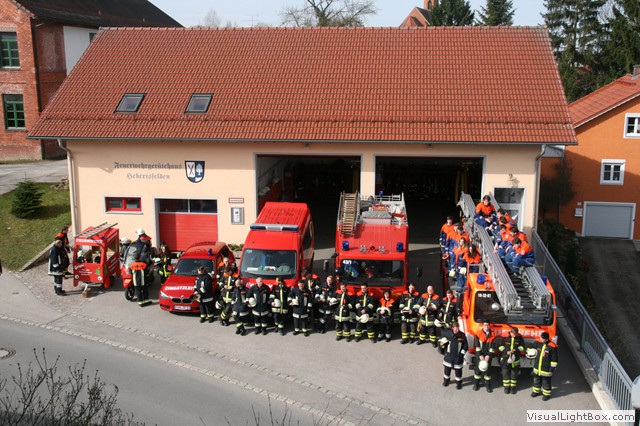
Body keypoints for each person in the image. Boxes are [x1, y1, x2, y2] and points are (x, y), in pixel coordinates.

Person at [530, 332, 558, 401]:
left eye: (542, 339)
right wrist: (529, 351)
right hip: (537, 368)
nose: (541, 340)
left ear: (546, 339)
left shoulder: (552, 347)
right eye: (541, 338)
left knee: (546, 383)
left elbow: (554, 360)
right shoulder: (538, 343)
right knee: (536, 381)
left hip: (546, 369)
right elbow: (530, 346)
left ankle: (546, 395)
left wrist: (551, 369)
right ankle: (536, 392)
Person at [440, 321, 468, 390]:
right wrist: (442, 345)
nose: (457, 329)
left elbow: (466, 346)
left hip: (458, 357)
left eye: (458, 328)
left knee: (458, 371)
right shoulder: (448, 334)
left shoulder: (462, 335)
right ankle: (446, 381)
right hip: (449, 356)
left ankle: (458, 383)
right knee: (447, 370)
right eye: (456, 328)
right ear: (452, 328)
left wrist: (462, 354)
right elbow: (441, 339)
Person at [498, 326, 525, 394]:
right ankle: (506, 388)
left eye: (515, 334)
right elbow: (500, 346)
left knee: (514, 375)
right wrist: (506, 351)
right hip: (505, 359)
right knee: (505, 375)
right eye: (513, 334)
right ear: (510, 332)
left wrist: (516, 350)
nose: (514, 336)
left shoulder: (519, 338)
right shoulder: (505, 337)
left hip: (515, 360)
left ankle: (513, 388)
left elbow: (523, 347)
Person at [473, 321, 496, 392]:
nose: (486, 327)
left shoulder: (493, 334)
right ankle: (476, 384)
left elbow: (493, 346)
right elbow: (477, 346)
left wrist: (489, 355)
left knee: (488, 372)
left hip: (488, 356)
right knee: (477, 371)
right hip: (479, 355)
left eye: (487, 325)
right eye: (485, 325)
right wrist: (480, 355)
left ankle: (488, 386)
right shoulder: (478, 333)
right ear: (482, 326)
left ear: (489, 326)